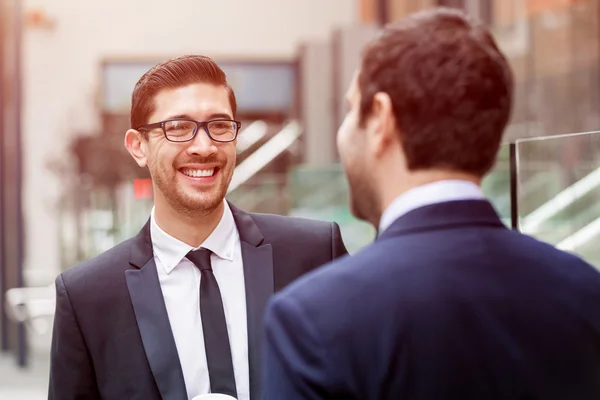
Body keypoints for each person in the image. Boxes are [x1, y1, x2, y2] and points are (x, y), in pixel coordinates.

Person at [262, 7, 600, 400]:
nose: (344, 130)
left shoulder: (313, 319)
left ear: (381, 120)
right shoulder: (584, 291)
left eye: (352, 108)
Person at [48, 55, 347, 400]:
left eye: (219, 125)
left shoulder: (314, 254)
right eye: (177, 127)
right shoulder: (87, 297)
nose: (204, 147)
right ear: (138, 146)